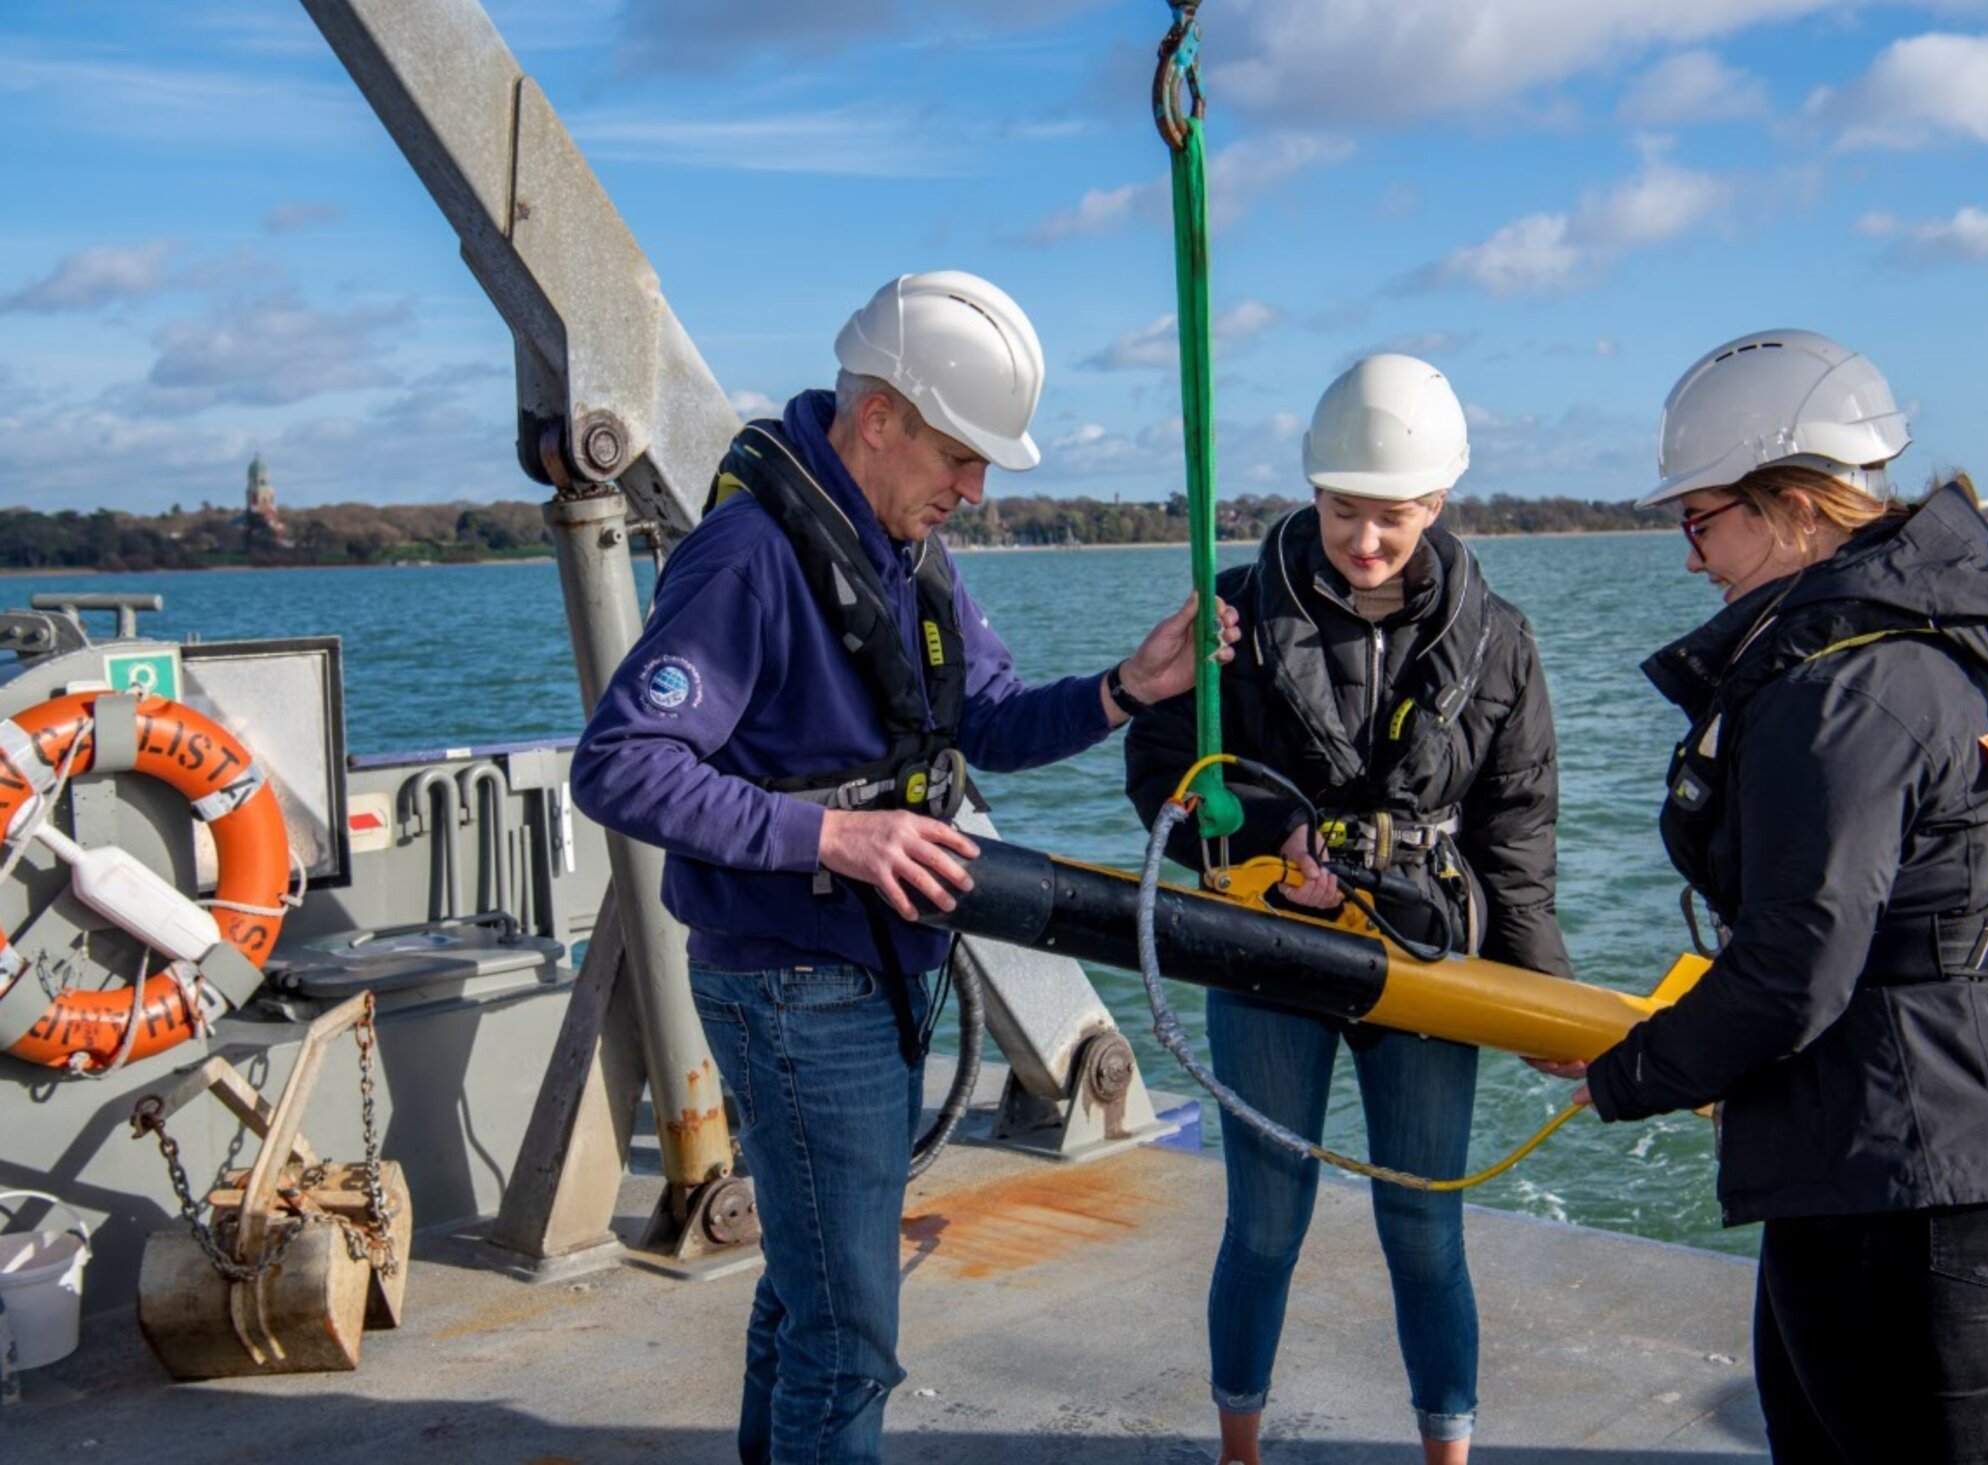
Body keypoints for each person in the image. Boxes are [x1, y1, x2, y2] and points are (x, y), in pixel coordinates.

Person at [571, 269, 1239, 1465]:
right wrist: (833, 837)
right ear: (877, 417)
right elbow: (620, 765)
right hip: (790, 983)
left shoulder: (902, 550)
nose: (974, 491)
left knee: (811, 1288)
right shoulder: (747, 559)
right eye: (961, 457)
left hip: (868, 972)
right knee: (849, 1339)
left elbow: (988, 721)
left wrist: (1126, 688)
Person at [1536, 329, 1988, 1464]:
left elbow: (1796, 967)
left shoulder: (1837, 687)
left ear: (1795, 507)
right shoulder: (1979, 639)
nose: (1691, 558)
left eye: (1700, 520)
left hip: (1907, 1169)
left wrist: (1630, 1071)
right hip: (1987, 1118)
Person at [1127, 354, 1572, 1465]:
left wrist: (1546, 993)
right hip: (1267, 948)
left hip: (1423, 959)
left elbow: (1517, 834)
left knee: (1423, 1227)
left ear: (1437, 503)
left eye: (1392, 516)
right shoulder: (1230, 612)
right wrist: (1269, 840)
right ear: (1311, 491)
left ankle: (1447, 1456)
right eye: (1341, 511)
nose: (1364, 539)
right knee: (1265, 1223)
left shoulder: (1501, 638)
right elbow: (1162, 772)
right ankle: (1239, 1453)